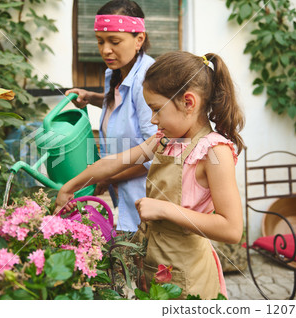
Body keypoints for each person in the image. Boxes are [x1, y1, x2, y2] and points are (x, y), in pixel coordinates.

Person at [56, 51, 244, 299]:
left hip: (189, 276)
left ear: (188, 103)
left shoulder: (213, 151)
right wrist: (69, 187)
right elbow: (116, 162)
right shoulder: (165, 140)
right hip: (154, 264)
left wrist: (165, 209)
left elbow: (231, 229)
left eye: (156, 109)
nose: (153, 119)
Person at [65, 0, 157, 234]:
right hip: (125, 193)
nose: (105, 50)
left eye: (115, 41)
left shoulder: (147, 80)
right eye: (100, 41)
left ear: (139, 39)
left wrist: (107, 176)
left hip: (145, 197)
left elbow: (155, 152)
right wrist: (91, 97)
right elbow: (120, 106)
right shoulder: (116, 73)